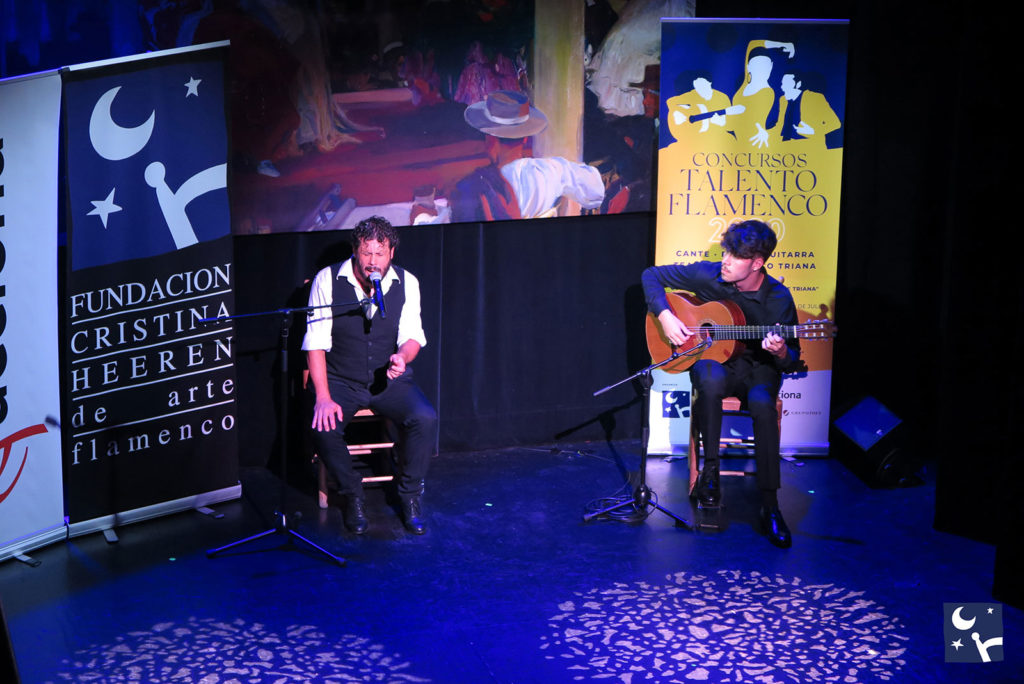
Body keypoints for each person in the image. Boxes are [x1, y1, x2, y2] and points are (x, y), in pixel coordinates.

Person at [641, 220, 801, 548]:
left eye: (735, 256)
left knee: (761, 404)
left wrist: (782, 350)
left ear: (757, 263)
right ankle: (709, 474)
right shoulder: (710, 275)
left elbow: (791, 359)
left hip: (758, 370)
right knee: (710, 378)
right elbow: (651, 275)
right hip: (717, 365)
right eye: (726, 251)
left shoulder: (778, 299)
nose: (725, 260)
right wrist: (666, 316)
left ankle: (770, 504)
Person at [302, 216, 438, 535]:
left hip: (389, 380)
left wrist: (401, 357)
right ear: (355, 251)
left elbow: (413, 336)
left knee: (425, 418)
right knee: (323, 426)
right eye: (366, 253)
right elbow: (316, 343)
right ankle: (353, 494)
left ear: (391, 252)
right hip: (341, 380)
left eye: (380, 253)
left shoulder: (408, 283)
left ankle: (410, 496)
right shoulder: (328, 280)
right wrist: (322, 397)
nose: (372, 261)